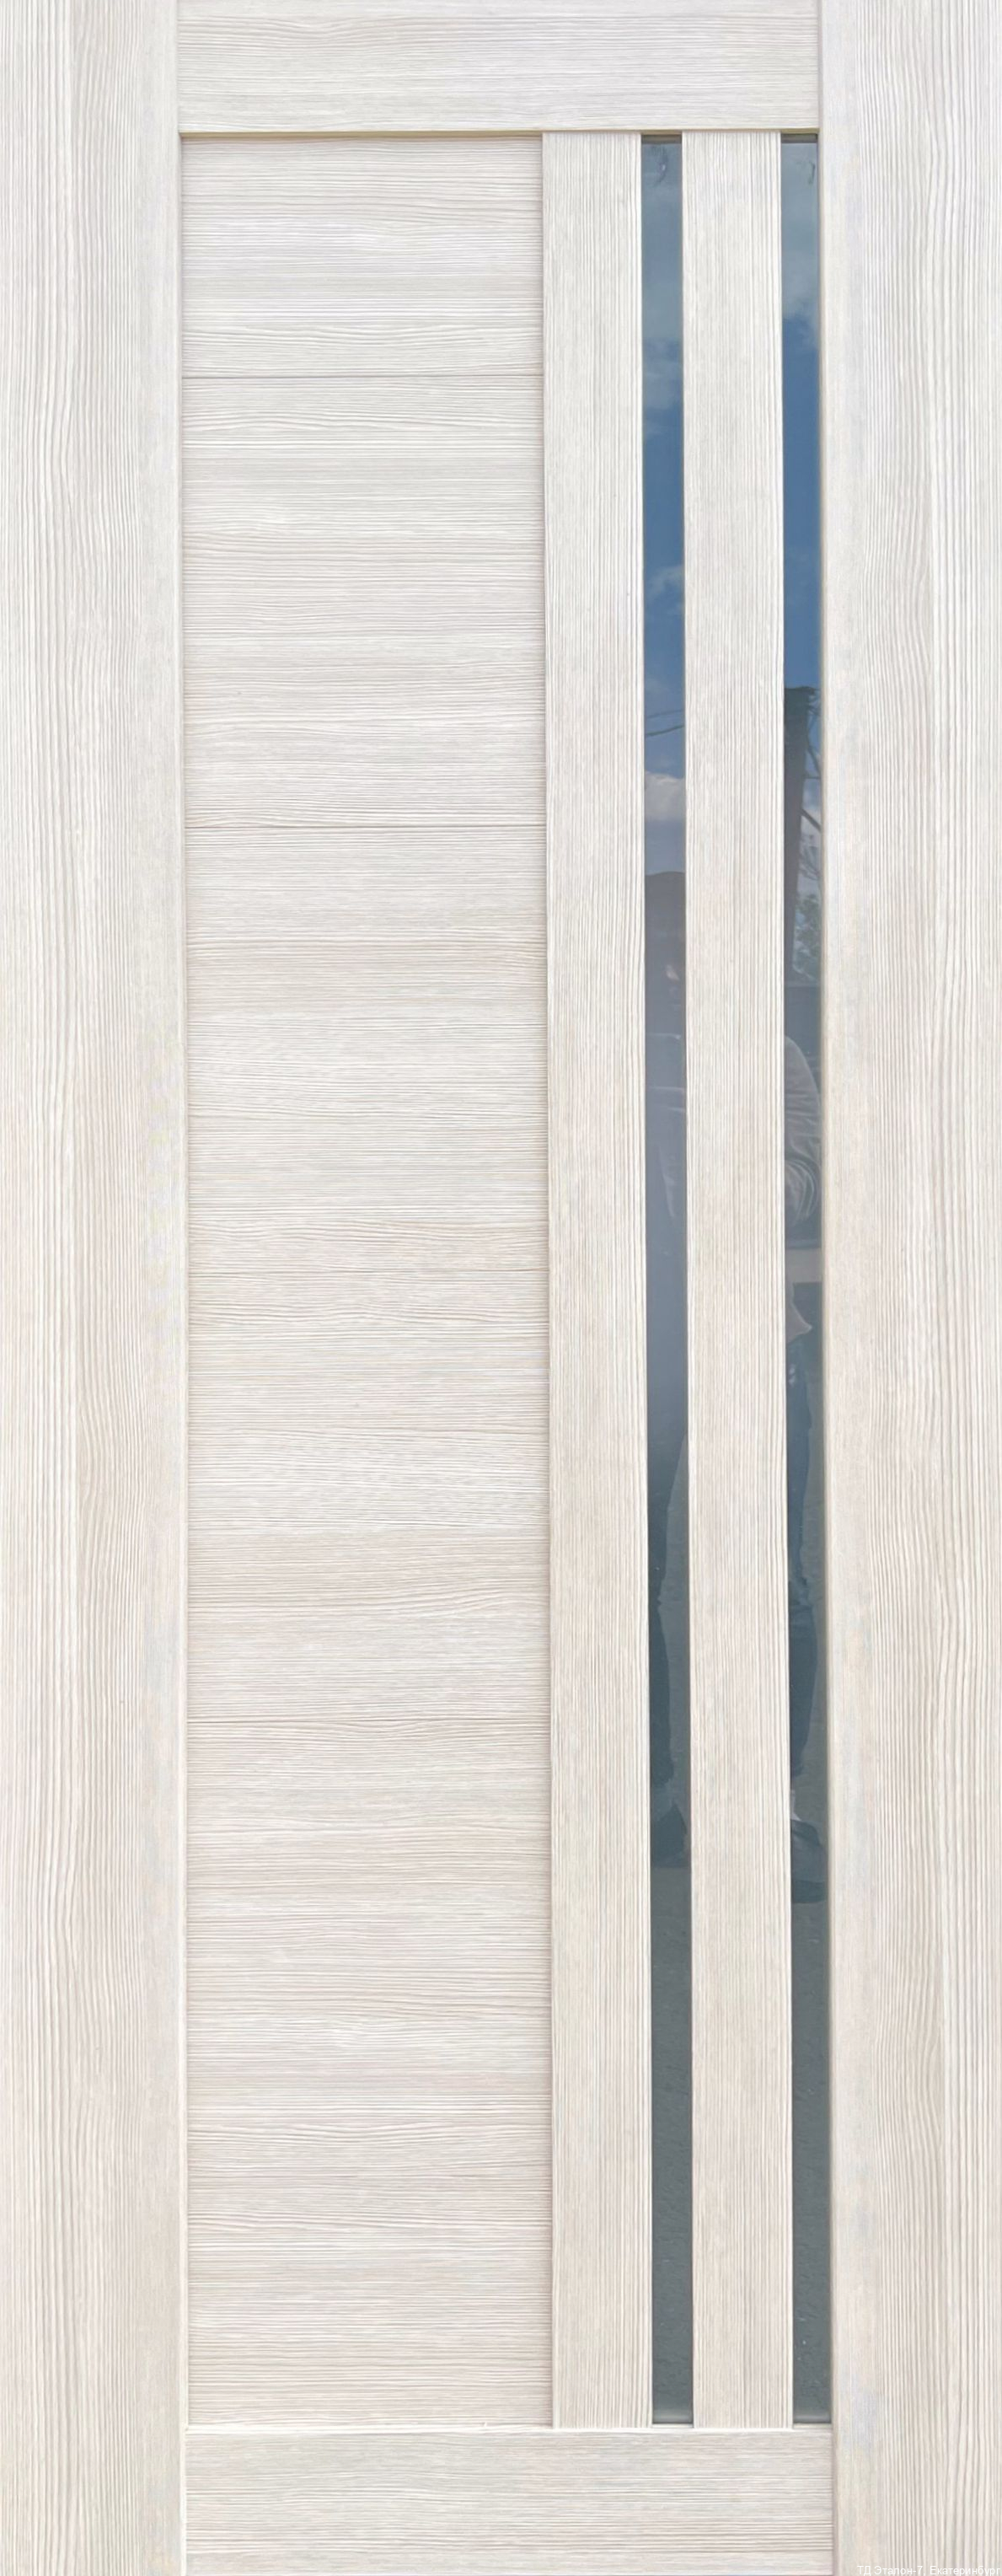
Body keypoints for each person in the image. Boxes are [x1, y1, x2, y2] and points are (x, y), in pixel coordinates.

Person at [645, 867, 825, 1900]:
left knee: (769, 1581)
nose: (676, 962)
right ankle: (644, 1799)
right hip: (623, 1349)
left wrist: (716, 1138)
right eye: (661, 943)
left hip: (747, 1343)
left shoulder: (769, 1053)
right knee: (617, 1578)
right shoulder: (602, 1052)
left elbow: (802, 1180)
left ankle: (765, 1805)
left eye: (690, 940)